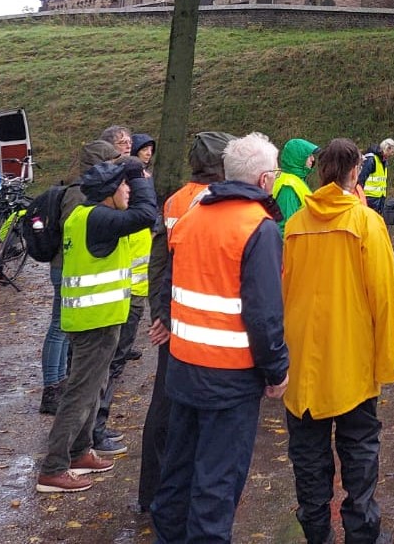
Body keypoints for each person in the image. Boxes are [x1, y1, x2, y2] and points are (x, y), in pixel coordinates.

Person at [152, 132, 290, 543]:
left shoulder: (193, 214)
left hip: (183, 369)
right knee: (217, 484)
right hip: (230, 379)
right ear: (265, 180)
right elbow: (265, 315)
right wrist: (277, 370)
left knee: (177, 476)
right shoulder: (258, 228)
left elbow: (170, 282)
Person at [281, 138, 394, 544]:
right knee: (360, 454)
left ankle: (317, 534)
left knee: (309, 462)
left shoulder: (296, 224)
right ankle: (362, 533)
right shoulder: (366, 223)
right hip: (352, 365)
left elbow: (284, 293)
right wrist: (385, 364)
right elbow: (383, 298)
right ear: (355, 174)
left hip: (302, 371)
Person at [35, 159, 159, 493]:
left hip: (97, 318)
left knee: (93, 387)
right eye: (124, 186)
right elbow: (148, 215)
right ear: (109, 191)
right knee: (80, 392)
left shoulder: (85, 216)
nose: (129, 191)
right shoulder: (99, 217)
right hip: (95, 321)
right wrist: (137, 173)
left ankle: (78, 452)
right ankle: (54, 468)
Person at [140, 131, 234, 513]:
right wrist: (162, 315)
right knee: (177, 408)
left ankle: (157, 495)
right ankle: (168, 496)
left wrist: (160, 312)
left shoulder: (177, 198)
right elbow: (168, 263)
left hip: (178, 314)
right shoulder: (212, 200)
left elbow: (161, 261)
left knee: (168, 406)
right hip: (191, 319)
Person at [92, 135, 163, 455]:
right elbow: (147, 217)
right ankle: (95, 429)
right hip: (127, 292)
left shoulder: (120, 201)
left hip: (131, 290)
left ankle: (97, 426)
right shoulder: (125, 204)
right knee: (110, 364)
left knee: (112, 364)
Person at [39, 139, 120, 415]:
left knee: (64, 329)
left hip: (72, 267)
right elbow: (76, 229)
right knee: (59, 328)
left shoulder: (88, 189)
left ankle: (60, 382)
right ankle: (52, 387)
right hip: (66, 267)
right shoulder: (79, 192)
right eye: (111, 161)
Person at [274, 138, 318, 228]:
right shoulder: (288, 187)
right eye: (309, 155)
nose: (313, 159)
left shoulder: (293, 180)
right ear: (298, 158)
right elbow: (286, 226)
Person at [358, 138, 394, 213]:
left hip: (379, 198)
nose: (392, 155)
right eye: (392, 152)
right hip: (369, 198)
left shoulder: (383, 161)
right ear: (388, 149)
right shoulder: (371, 160)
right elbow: (361, 179)